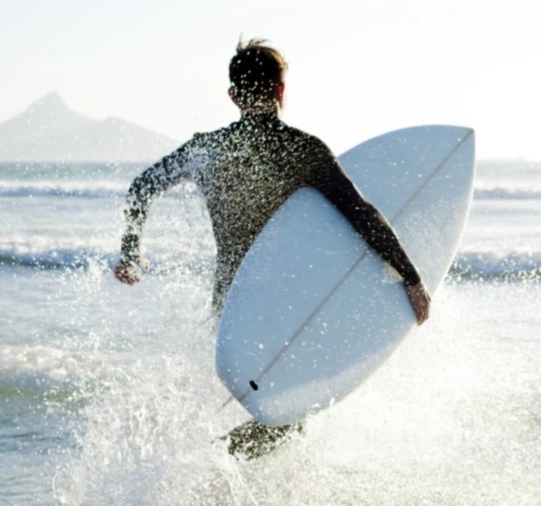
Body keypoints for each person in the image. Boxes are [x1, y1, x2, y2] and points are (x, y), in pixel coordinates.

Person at [114, 39, 430, 457]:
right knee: (289, 412)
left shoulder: (207, 148)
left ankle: (208, 468)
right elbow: (361, 214)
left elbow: (142, 187)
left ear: (232, 95)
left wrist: (130, 254)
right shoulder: (303, 150)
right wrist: (410, 276)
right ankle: (215, 464)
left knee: (255, 398)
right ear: (282, 91)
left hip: (230, 301)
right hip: (286, 300)